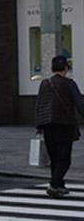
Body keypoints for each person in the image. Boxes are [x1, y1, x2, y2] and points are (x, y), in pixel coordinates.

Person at [34, 55, 84, 198]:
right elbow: (80, 104)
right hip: (64, 125)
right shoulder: (70, 84)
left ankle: (60, 185)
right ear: (66, 68)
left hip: (48, 125)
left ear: (52, 68)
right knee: (64, 159)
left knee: (54, 157)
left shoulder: (44, 83)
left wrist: (38, 124)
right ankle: (54, 184)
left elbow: (38, 105)